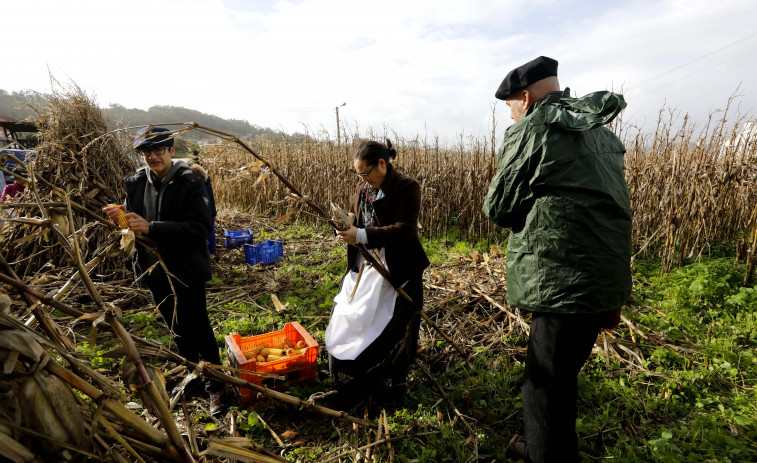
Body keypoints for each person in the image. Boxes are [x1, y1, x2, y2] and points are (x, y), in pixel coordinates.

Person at [483, 56, 632, 462]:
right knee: (563, 376)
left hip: (562, 281)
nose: (511, 115)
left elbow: (498, 207)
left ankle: (543, 455)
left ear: (525, 98)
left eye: (511, 105)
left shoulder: (533, 128)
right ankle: (546, 447)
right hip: (602, 279)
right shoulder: (596, 128)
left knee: (543, 384)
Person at [103, 126, 227, 416]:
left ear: (172, 151)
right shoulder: (135, 182)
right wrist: (121, 219)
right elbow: (133, 227)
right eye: (146, 152)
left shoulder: (192, 182)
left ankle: (216, 385)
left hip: (184, 267)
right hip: (152, 267)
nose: (153, 157)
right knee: (175, 325)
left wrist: (153, 227)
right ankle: (192, 373)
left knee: (198, 324)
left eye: (159, 150)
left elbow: (201, 228)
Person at [325, 139, 429, 404]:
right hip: (367, 265)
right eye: (358, 174)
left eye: (365, 173)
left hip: (398, 266)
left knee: (398, 323)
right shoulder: (364, 189)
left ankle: (398, 378)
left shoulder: (406, 187)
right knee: (357, 315)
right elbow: (355, 216)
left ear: (381, 164)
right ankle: (359, 369)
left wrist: (360, 234)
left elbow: (405, 229)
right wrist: (344, 226)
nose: (362, 179)